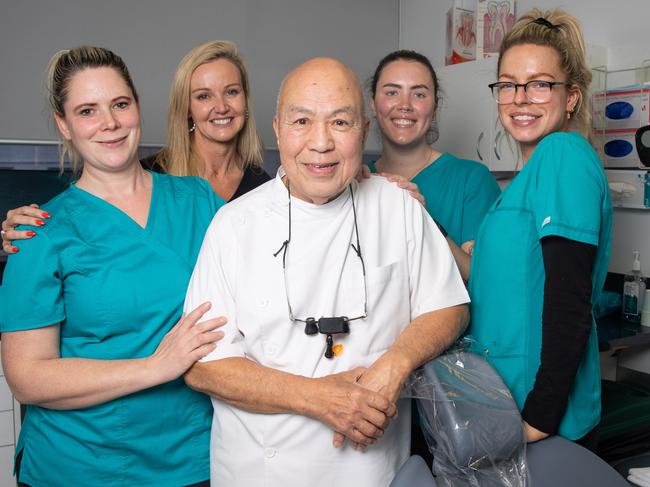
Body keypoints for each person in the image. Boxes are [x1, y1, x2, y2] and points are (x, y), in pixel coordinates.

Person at [182, 57, 470, 487]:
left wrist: (395, 364)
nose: (321, 143)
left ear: (365, 130)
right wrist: (317, 398)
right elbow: (204, 366)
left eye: (340, 122)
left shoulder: (400, 209)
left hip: (374, 470)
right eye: (302, 121)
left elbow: (449, 306)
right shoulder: (233, 225)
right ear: (278, 128)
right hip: (261, 471)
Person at [0, 46, 227, 486]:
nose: (110, 123)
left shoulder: (199, 201)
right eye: (88, 110)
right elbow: (27, 377)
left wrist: (369, 188)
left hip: (194, 455)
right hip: (82, 465)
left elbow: (280, 247)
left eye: (120, 104)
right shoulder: (40, 231)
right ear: (63, 124)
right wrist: (156, 366)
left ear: (137, 106)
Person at [466, 9, 612, 450]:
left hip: (541, 422)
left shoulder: (562, 155)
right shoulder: (521, 182)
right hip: (506, 404)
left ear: (571, 97)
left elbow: (568, 299)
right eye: (508, 84)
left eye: (540, 84)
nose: (520, 98)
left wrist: (539, 418)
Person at [367, 49, 500, 277]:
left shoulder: (471, 180)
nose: (404, 105)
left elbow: (483, 278)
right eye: (391, 92)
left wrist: (423, 220)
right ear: (373, 103)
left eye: (419, 94)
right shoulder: (357, 181)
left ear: (435, 106)